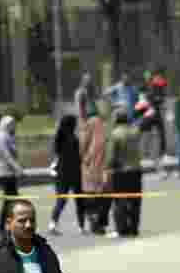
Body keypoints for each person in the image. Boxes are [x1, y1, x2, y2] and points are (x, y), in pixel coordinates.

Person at [104, 109, 144, 238]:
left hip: (121, 172)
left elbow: (111, 157)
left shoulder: (115, 134)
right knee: (135, 201)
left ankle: (121, 229)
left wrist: (108, 168)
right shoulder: (135, 132)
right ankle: (134, 228)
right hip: (136, 171)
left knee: (119, 202)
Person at [48, 114, 85, 236]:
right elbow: (77, 157)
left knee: (61, 200)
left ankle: (53, 223)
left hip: (61, 173)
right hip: (74, 173)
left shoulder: (59, 137)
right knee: (79, 200)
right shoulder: (73, 139)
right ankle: (81, 226)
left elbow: (57, 153)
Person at [78, 101, 111, 234]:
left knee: (91, 195)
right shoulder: (105, 124)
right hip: (104, 164)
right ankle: (101, 222)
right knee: (105, 194)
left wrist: (82, 157)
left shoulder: (88, 124)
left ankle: (94, 221)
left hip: (91, 164)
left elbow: (83, 144)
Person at [0, 116, 25, 235]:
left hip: (8, 173)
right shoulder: (2, 137)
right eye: (12, 124)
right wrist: (18, 169)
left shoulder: (7, 137)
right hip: (4, 173)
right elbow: (7, 156)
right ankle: (3, 227)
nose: (14, 126)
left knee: (11, 201)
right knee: (11, 201)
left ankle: (7, 226)